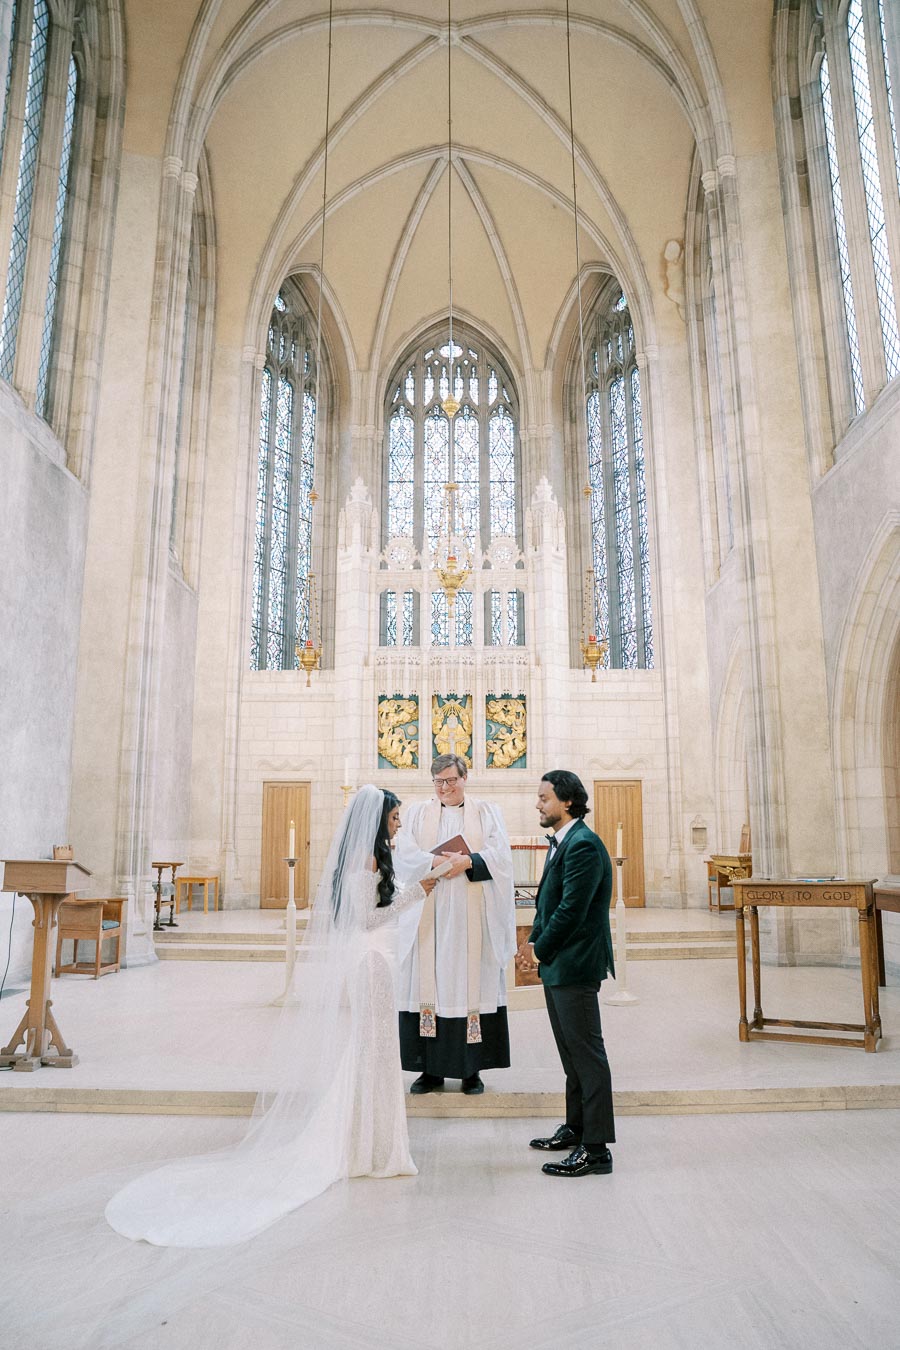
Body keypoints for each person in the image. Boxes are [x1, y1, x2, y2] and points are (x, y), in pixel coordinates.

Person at [105, 786, 437, 1247]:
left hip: (376, 961)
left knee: (375, 1051)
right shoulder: (366, 859)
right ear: (378, 817)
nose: (399, 824)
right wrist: (419, 892)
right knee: (374, 1050)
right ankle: (369, 1147)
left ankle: (371, 1142)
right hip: (372, 962)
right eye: (396, 817)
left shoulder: (371, 856)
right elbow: (365, 920)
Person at [393, 754, 516, 1095]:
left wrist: (469, 861)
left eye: (451, 780)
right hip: (428, 917)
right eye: (438, 782)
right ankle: (429, 1071)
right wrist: (432, 860)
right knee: (427, 987)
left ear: (465, 778)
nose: (444, 788)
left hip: (471, 918)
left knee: (468, 988)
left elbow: (501, 856)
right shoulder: (418, 813)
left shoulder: (486, 813)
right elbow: (403, 854)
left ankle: (470, 1071)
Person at [516, 770, 616, 1177]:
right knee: (571, 1055)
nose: (538, 804)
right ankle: (576, 1128)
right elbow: (546, 903)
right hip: (560, 963)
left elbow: (572, 910)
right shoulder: (564, 842)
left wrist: (540, 947)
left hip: (575, 963)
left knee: (588, 1056)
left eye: (544, 797)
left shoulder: (584, 846)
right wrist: (533, 943)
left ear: (568, 802)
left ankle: (596, 1150)